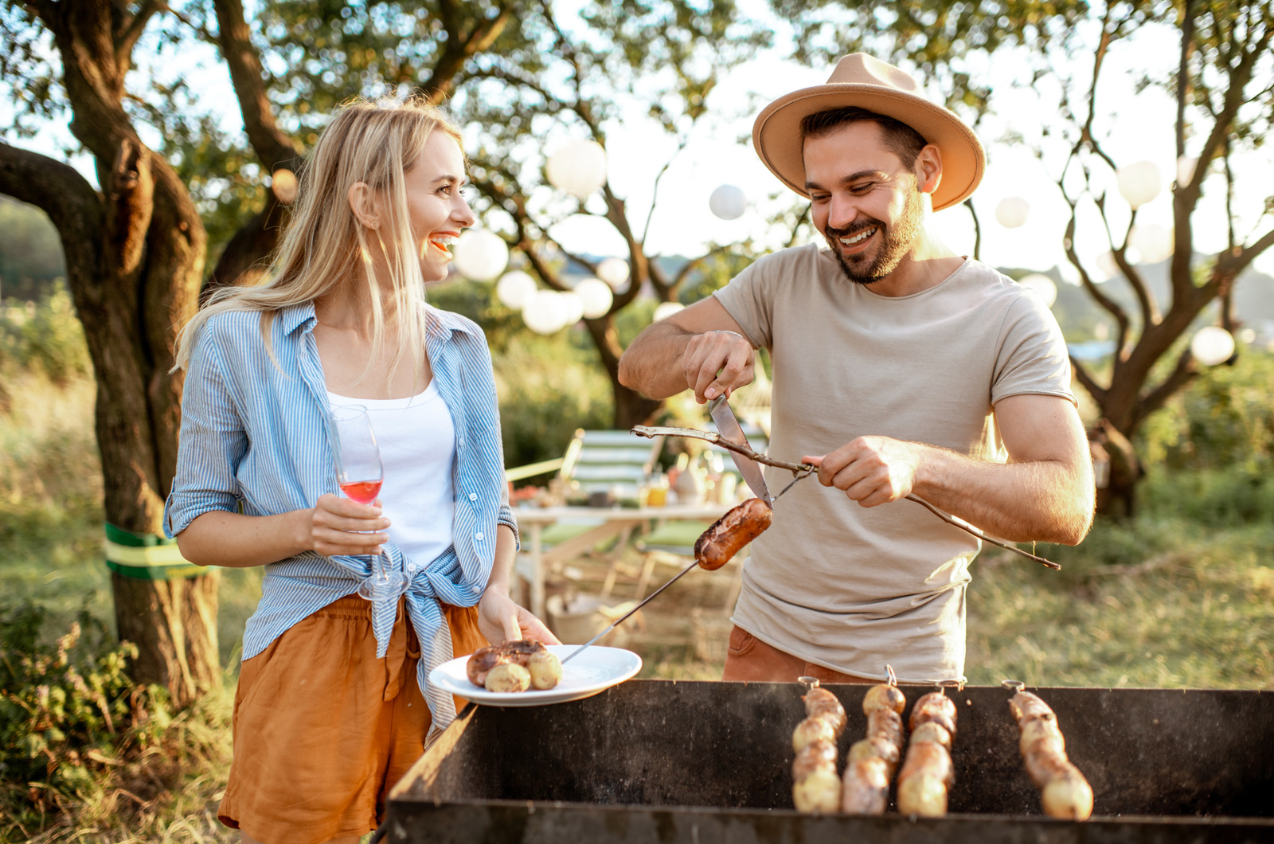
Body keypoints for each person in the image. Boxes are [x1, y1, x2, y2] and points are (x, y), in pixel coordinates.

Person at [618, 54, 1094, 687]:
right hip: (765, 634)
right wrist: (697, 349)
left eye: (862, 187)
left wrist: (918, 466)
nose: (837, 218)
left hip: (905, 662)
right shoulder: (783, 279)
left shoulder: (1009, 317)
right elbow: (637, 363)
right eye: (820, 195)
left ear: (926, 169)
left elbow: (1067, 505)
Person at [165, 98, 558, 844]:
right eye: (444, 190)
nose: (467, 213)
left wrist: (498, 592)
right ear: (368, 202)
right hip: (317, 645)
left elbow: (491, 508)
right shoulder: (238, 339)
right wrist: (303, 528)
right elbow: (195, 525)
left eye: (462, 189)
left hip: (457, 640)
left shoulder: (460, 345)